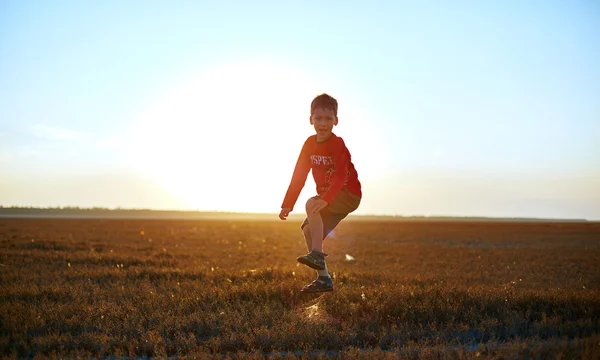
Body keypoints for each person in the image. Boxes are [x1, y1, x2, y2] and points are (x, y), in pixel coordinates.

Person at [279, 93, 362, 293]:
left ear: (336, 120)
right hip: (329, 197)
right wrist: (288, 203)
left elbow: (341, 175)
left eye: (328, 119)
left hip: (347, 194)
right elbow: (299, 174)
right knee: (307, 230)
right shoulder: (309, 144)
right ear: (311, 120)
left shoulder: (337, 143)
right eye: (318, 118)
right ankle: (323, 279)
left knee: (310, 204)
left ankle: (316, 253)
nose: (323, 123)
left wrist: (325, 199)